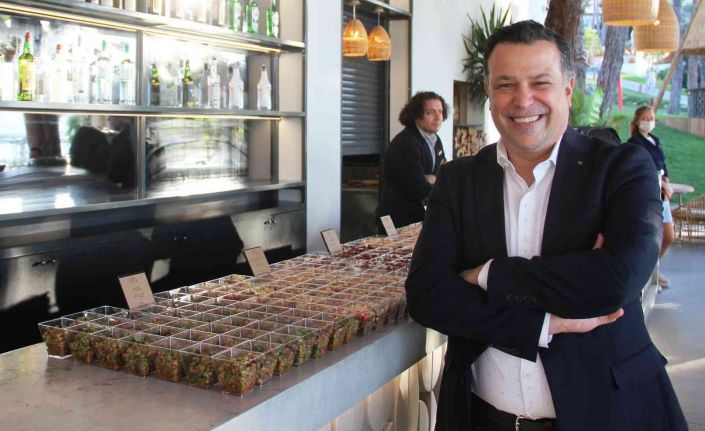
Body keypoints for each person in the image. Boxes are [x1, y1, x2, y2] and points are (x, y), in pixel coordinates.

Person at [406, 20, 687, 431]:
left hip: (609, 413)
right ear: (489, 93)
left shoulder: (622, 169)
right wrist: (544, 322)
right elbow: (427, 295)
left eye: (540, 82)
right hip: (481, 417)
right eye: (506, 84)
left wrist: (486, 275)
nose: (523, 100)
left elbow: (617, 280)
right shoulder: (459, 180)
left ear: (567, 89)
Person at [377, 91, 447, 229]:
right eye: (430, 112)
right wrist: (435, 179)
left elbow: (444, 172)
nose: (438, 117)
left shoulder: (435, 139)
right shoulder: (407, 143)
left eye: (440, 111)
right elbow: (418, 188)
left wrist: (431, 178)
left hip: (418, 216)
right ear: (416, 114)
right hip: (398, 219)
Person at [628, 105, 674, 288]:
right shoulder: (635, 143)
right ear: (638, 121)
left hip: (662, 193)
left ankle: (653, 268)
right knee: (652, 237)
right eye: (645, 119)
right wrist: (661, 183)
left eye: (651, 119)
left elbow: (662, 165)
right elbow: (644, 168)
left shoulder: (655, 140)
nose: (649, 122)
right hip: (649, 194)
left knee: (668, 236)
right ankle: (648, 274)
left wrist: (666, 182)